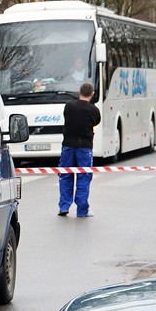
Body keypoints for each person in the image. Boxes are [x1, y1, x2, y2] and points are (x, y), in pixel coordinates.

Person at [58, 82, 101, 218]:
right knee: (83, 177)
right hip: (84, 147)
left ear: (79, 92)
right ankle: (82, 210)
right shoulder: (93, 110)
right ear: (92, 94)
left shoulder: (69, 106)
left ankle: (64, 206)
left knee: (65, 175)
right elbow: (96, 122)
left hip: (67, 146)